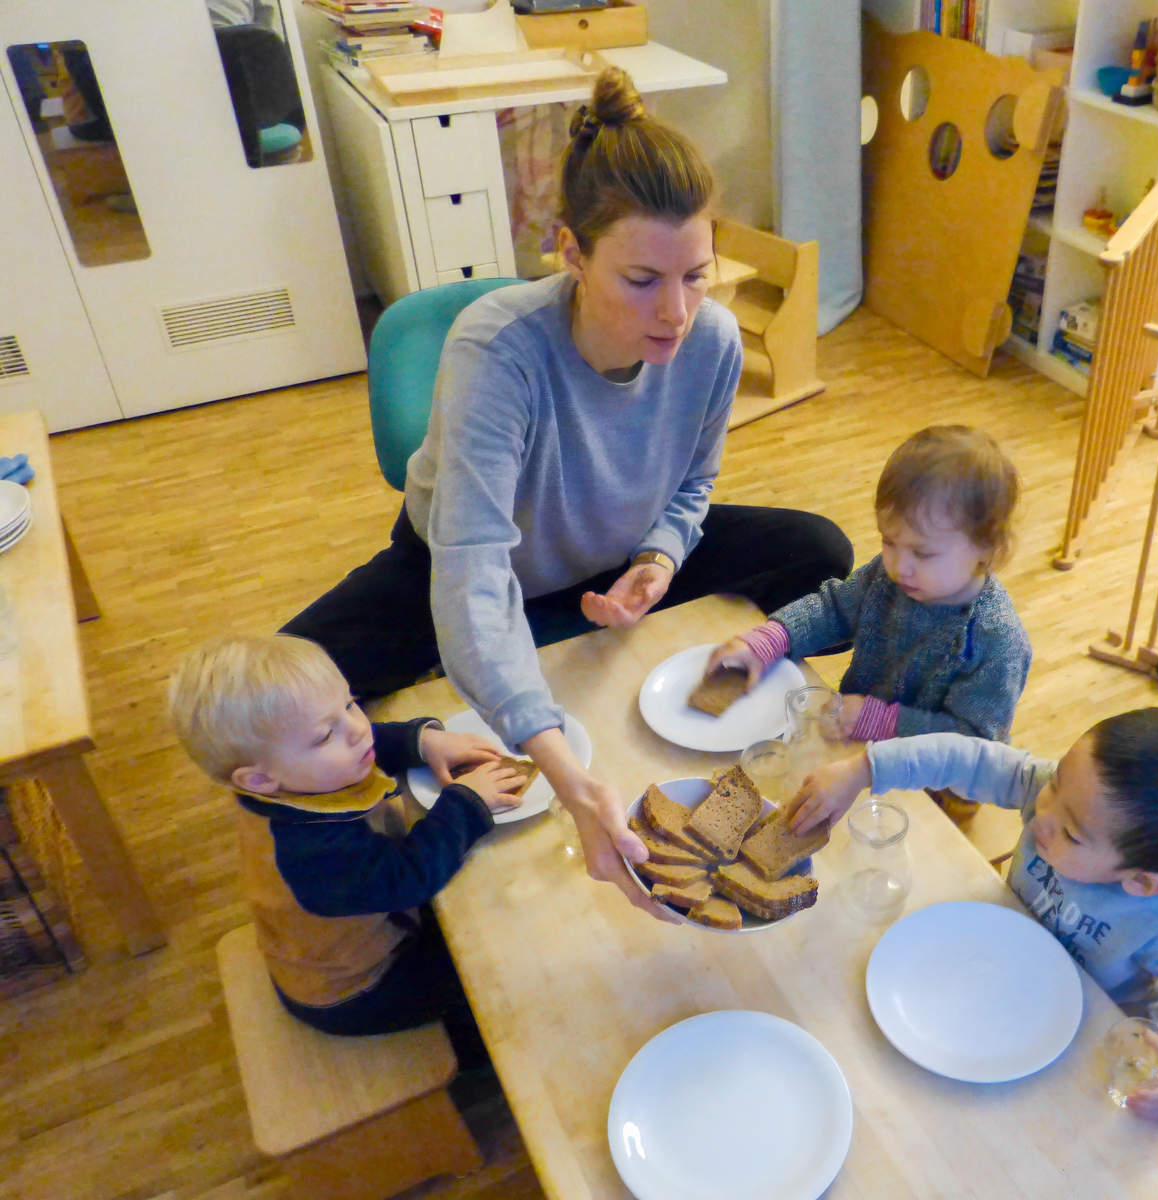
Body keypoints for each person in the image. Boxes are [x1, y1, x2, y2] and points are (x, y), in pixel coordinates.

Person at [280, 67, 851, 922]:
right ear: (572, 253)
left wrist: (661, 556)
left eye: (696, 275)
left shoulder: (714, 339)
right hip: (476, 563)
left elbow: (694, 483)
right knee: (288, 692)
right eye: (642, 280)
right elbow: (473, 572)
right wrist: (570, 776)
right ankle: (490, 675)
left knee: (818, 552)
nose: (677, 312)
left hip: (610, 556)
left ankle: (559, 649)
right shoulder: (498, 350)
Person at [789, 708, 1158, 1121]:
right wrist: (865, 769)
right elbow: (965, 758)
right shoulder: (1067, 798)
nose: (1041, 813)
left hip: (1087, 1048)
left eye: (1071, 835)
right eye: (1054, 782)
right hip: (998, 981)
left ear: (1141, 882)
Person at [168, 634, 527, 1065]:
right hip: (359, 990)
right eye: (325, 735)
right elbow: (408, 878)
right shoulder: (309, 853)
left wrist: (422, 742)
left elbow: (368, 744)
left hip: (369, 924)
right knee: (497, 969)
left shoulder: (300, 773)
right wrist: (466, 804)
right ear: (259, 780)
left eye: (350, 703)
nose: (358, 728)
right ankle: (477, 1063)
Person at [706, 425, 1030, 746]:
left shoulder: (997, 642)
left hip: (917, 775)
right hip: (852, 739)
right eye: (889, 542)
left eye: (922, 553)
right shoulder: (890, 576)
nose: (899, 566)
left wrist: (883, 722)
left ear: (985, 548)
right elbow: (833, 609)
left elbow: (976, 742)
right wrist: (771, 640)